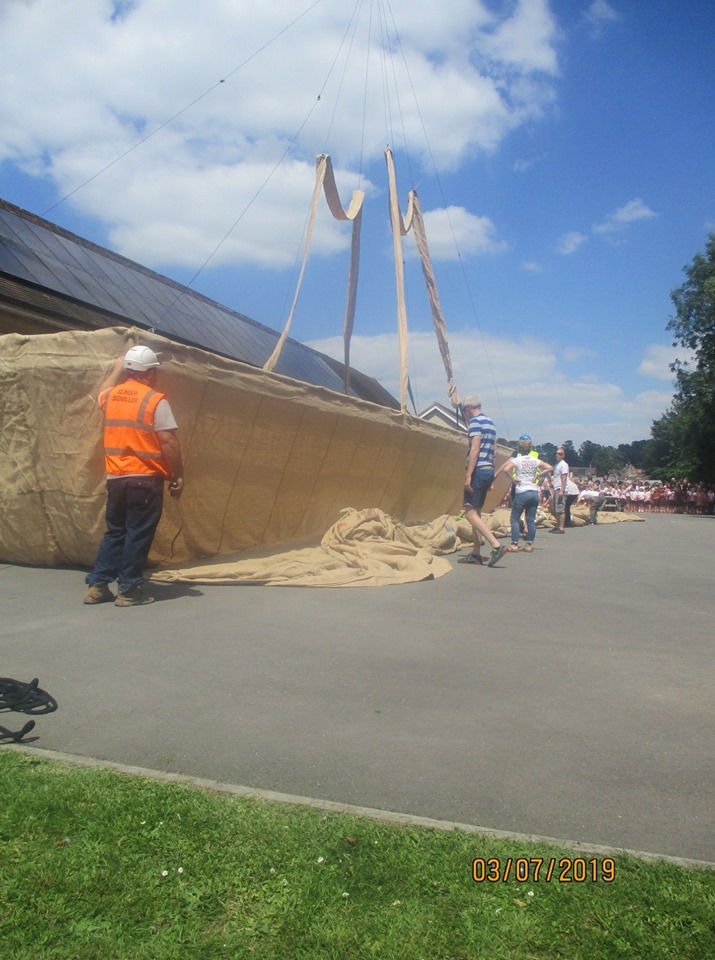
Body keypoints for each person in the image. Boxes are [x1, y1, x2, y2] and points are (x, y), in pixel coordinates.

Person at [83, 345, 184, 606]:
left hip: (116, 479)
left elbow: (99, 394)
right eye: (154, 371)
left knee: (115, 532)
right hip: (145, 479)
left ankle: (98, 586)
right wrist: (177, 474)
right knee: (137, 533)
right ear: (149, 373)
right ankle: (128, 590)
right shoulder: (154, 400)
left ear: (128, 370)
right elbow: (169, 441)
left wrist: (116, 369)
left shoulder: (111, 396)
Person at [459, 395, 508, 567]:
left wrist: (468, 475)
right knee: (477, 511)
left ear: (469, 407)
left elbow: (475, 448)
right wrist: (491, 477)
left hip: (478, 469)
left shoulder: (475, 423)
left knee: (469, 513)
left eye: (464, 410)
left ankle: (496, 545)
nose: (464, 414)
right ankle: (476, 552)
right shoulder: (491, 424)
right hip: (488, 469)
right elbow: (493, 452)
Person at [493, 435, 553, 552]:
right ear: (530, 448)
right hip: (533, 491)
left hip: (522, 491)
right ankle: (529, 544)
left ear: (519, 448)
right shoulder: (535, 460)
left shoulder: (517, 460)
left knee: (514, 518)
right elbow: (550, 467)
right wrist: (538, 475)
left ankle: (515, 543)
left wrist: (512, 479)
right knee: (530, 520)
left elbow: (505, 469)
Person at [549, 447, 569, 533]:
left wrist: (562, 490)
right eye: (557, 453)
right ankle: (557, 525)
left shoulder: (563, 465)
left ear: (563, 455)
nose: (558, 455)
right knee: (554, 509)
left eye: (560, 454)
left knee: (560, 509)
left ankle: (561, 527)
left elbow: (564, 477)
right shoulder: (557, 465)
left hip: (560, 488)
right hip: (556, 488)